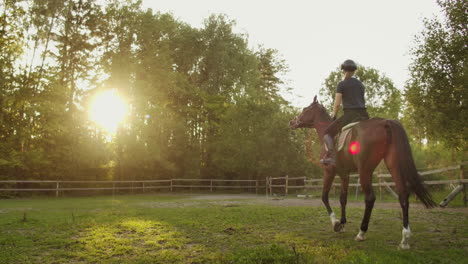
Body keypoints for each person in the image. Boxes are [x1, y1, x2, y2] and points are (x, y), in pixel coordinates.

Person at [320, 59, 369, 166]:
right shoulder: (360, 85)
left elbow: (337, 104)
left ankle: (332, 157)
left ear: (343, 71)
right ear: (354, 71)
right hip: (364, 115)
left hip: (350, 116)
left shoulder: (342, 84)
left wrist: (334, 115)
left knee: (327, 133)